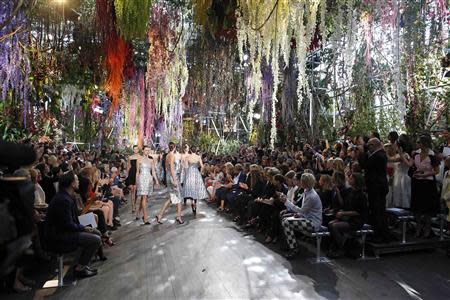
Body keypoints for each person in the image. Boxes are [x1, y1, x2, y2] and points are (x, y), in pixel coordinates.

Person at [44, 171, 101, 278]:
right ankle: (80, 268)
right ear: (72, 183)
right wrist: (84, 228)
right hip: (59, 237)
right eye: (76, 180)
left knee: (96, 230)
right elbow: (67, 224)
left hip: (65, 231)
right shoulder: (63, 200)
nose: (78, 181)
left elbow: (76, 216)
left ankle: (84, 264)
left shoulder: (68, 196)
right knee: (95, 238)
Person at [279, 173, 323, 259]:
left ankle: (294, 248)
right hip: (308, 219)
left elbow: (302, 210)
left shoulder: (311, 196)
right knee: (285, 219)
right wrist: (298, 214)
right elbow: (305, 211)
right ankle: (291, 245)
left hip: (313, 223)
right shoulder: (307, 191)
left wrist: (286, 202)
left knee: (286, 222)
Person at [327, 173, 369, 258]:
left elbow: (359, 212)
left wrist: (343, 213)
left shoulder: (361, 195)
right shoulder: (350, 191)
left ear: (356, 181)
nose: (348, 179)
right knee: (330, 223)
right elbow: (344, 204)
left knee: (335, 226)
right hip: (349, 217)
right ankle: (342, 246)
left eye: (351, 178)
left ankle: (343, 248)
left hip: (357, 220)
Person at [357, 138, 390, 242]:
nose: (368, 147)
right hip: (373, 187)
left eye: (369, 145)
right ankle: (377, 232)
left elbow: (364, 165)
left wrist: (362, 153)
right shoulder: (375, 154)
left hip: (377, 187)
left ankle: (380, 235)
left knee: (378, 211)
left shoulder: (379, 155)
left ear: (374, 145)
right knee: (375, 210)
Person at [410, 134, 439, 238]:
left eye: (419, 143)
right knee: (417, 208)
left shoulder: (432, 156)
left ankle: (427, 228)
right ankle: (418, 227)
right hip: (418, 182)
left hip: (428, 184)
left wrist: (425, 174)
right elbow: (410, 165)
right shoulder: (416, 155)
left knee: (427, 208)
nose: (417, 144)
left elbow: (437, 171)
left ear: (424, 144)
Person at [156, 142, 184, 224]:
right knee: (179, 197)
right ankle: (178, 217)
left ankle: (160, 215)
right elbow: (172, 169)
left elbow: (166, 169)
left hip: (169, 176)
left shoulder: (167, 155)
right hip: (173, 177)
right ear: (174, 147)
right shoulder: (172, 156)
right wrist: (175, 180)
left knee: (173, 197)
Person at [181, 145, 209, 215]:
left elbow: (186, 167)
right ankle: (195, 203)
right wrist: (201, 172)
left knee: (191, 189)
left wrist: (186, 173)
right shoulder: (198, 157)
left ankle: (192, 202)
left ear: (190, 150)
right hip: (196, 173)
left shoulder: (188, 157)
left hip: (190, 173)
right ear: (195, 150)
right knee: (196, 189)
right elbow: (202, 166)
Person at [136, 146, 160, 224]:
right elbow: (137, 172)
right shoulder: (139, 159)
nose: (147, 151)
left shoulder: (151, 160)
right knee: (144, 197)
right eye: (146, 150)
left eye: (148, 150)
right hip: (142, 179)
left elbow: (153, 172)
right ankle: (145, 218)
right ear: (143, 151)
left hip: (149, 179)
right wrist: (137, 182)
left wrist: (156, 180)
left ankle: (138, 213)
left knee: (145, 198)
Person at [125, 145, 140, 213]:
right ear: (133, 150)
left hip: (138, 174)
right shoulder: (130, 157)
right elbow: (128, 166)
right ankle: (133, 206)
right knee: (132, 190)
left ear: (138, 150)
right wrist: (127, 175)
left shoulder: (140, 157)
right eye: (134, 149)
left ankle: (135, 203)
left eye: (137, 149)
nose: (135, 150)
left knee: (136, 190)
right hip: (131, 173)